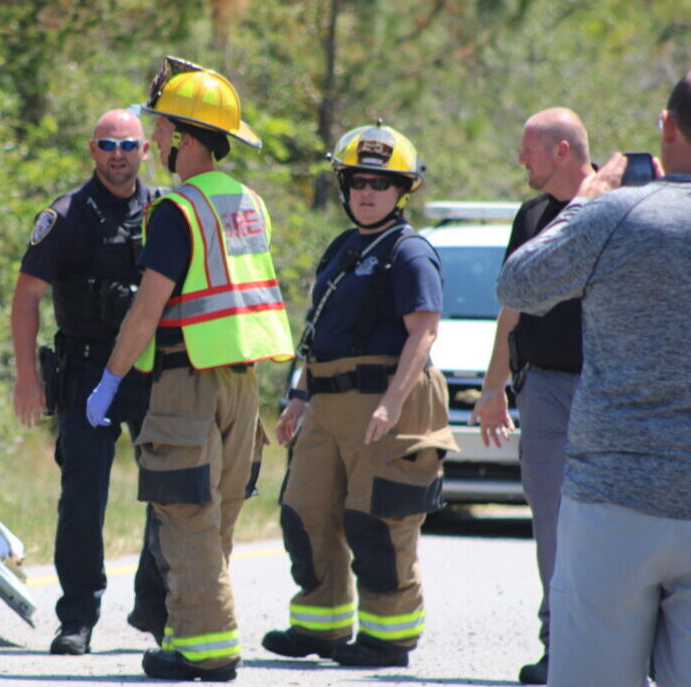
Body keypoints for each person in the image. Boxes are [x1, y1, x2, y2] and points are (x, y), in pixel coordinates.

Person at [84, 56, 294, 682]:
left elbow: (147, 311)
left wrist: (111, 380)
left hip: (187, 381)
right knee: (218, 517)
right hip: (242, 385)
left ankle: (206, 648)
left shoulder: (177, 210)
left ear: (183, 138)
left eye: (161, 130)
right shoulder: (247, 202)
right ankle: (188, 635)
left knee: (186, 519)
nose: (153, 142)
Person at [496, 68, 691, 687]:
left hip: (612, 501)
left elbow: (519, 283)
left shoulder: (615, 213)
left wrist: (586, 200)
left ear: (666, 128)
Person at [263, 122, 457, 668]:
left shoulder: (410, 250)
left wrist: (393, 402)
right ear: (345, 187)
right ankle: (319, 626)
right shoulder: (342, 247)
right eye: (357, 182)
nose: (367, 193)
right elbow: (318, 331)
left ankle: (387, 638)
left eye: (381, 183)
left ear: (403, 190)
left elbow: (423, 331)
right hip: (326, 401)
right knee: (305, 512)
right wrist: (299, 398)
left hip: (386, 401)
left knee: (378, 523)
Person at [10, 108, 165, 655]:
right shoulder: (67, 215)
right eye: (107, 144)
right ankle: (77, 619)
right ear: (92, 149)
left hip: (150, 371)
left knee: (169, 494)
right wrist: (27, 378)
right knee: (81, 501)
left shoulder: (167, 212)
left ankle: (157, 609)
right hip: (85, 371)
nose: (117, 154)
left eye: (128, 144)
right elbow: (27, 296)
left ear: (146, 150)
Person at [468, 107, 594, 685]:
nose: (520, 158)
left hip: (606, 394)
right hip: (542, 389)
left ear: (563, 150)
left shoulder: (613, 212)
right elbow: (511, 305)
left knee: (613, 525)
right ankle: (560, 645)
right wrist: (495, 387)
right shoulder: (531, 215)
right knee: (552, 526)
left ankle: (625, 649)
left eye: (529, 148)